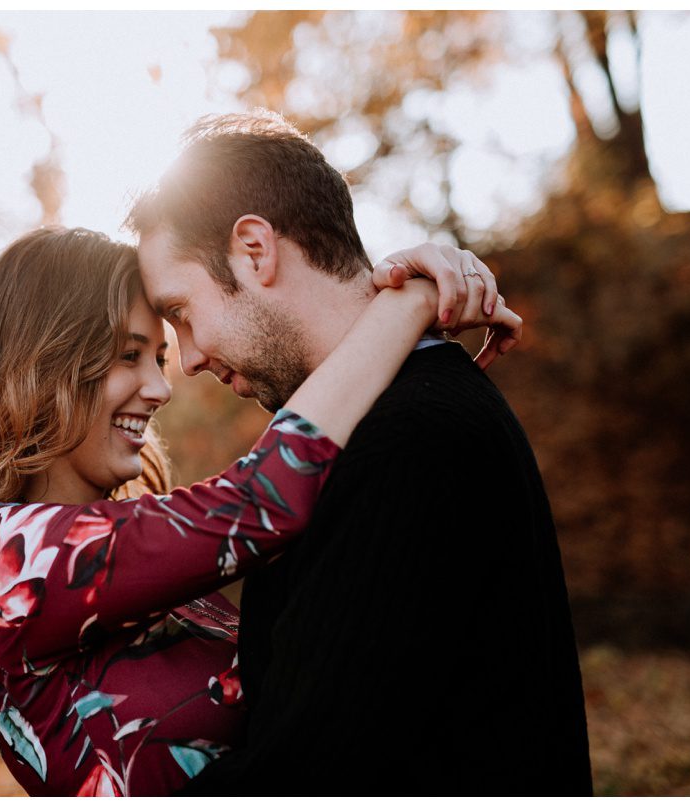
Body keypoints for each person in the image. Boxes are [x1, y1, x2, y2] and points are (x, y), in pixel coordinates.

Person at [0, 226, 517, 796]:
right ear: (44, 362)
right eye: (128, 355)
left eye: (160, 360)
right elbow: (261, 500)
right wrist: (404, 303)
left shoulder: (143, 556)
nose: (161, 388)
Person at [124, 110, 593, 795]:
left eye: (182, 312)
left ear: (255, 250)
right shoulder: (384, 420)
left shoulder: (414, 439)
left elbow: (306, 774)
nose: (187, 358)